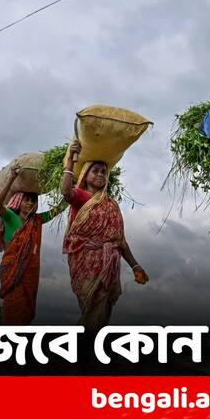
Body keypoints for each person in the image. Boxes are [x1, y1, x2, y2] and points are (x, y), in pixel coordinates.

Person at [61, 140, 148, 339]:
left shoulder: (112, 205)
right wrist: (70, 161)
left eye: (103, 171)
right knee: (92, 306)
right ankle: (85, 354)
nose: (100, 174)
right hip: (85, 260)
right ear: (85, 175)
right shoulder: (80, 196)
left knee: (102, 308)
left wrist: (135, 266)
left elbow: (120, 241)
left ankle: (84, 352)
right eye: (95, 171)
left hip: (109, 263)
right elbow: (66, 191)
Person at [0, 166, 60, 325]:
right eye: (26, 200)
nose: (29, 203)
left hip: (30, 274)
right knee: (12, 309)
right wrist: (10, 178)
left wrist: (69, 184)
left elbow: (58, 209)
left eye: (33, 201)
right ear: (19, 202)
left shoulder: (38, 220)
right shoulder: (10, 216)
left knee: (24, 311)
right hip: (11, 271)